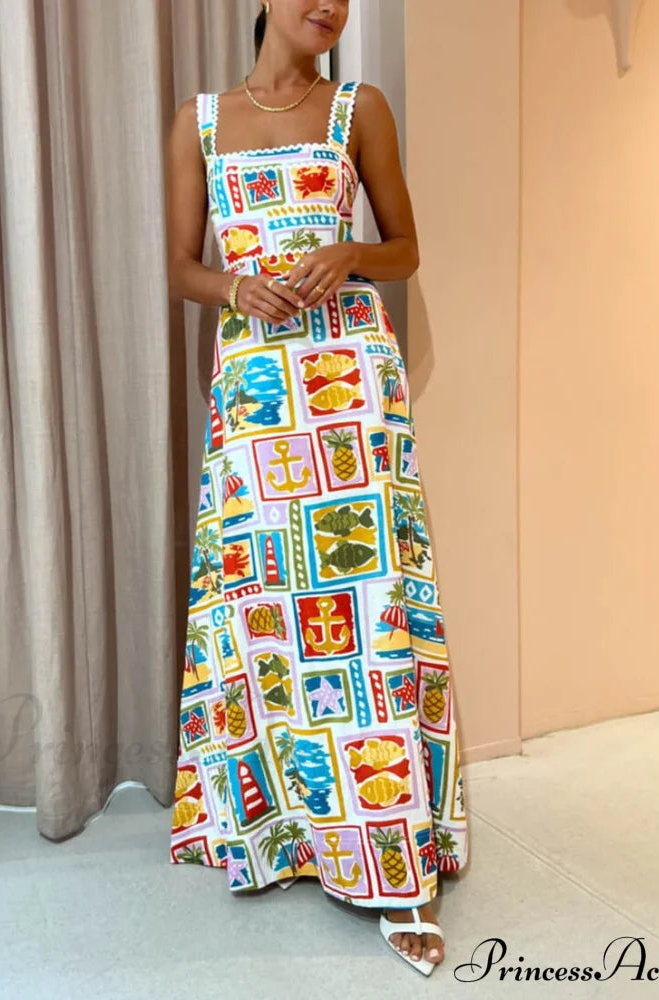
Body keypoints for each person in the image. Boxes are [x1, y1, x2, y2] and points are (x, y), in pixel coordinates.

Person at [165, 0, 469, 977]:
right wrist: (233, 286)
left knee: (367, 610)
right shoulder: (200, 120)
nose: (329, 3)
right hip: (258, 391)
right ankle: (283, 829)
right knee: (268, 609)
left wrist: (351, 254)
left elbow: (405, 248)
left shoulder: (358, 108)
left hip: (347, 382)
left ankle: (395, 867)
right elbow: (180, 265)